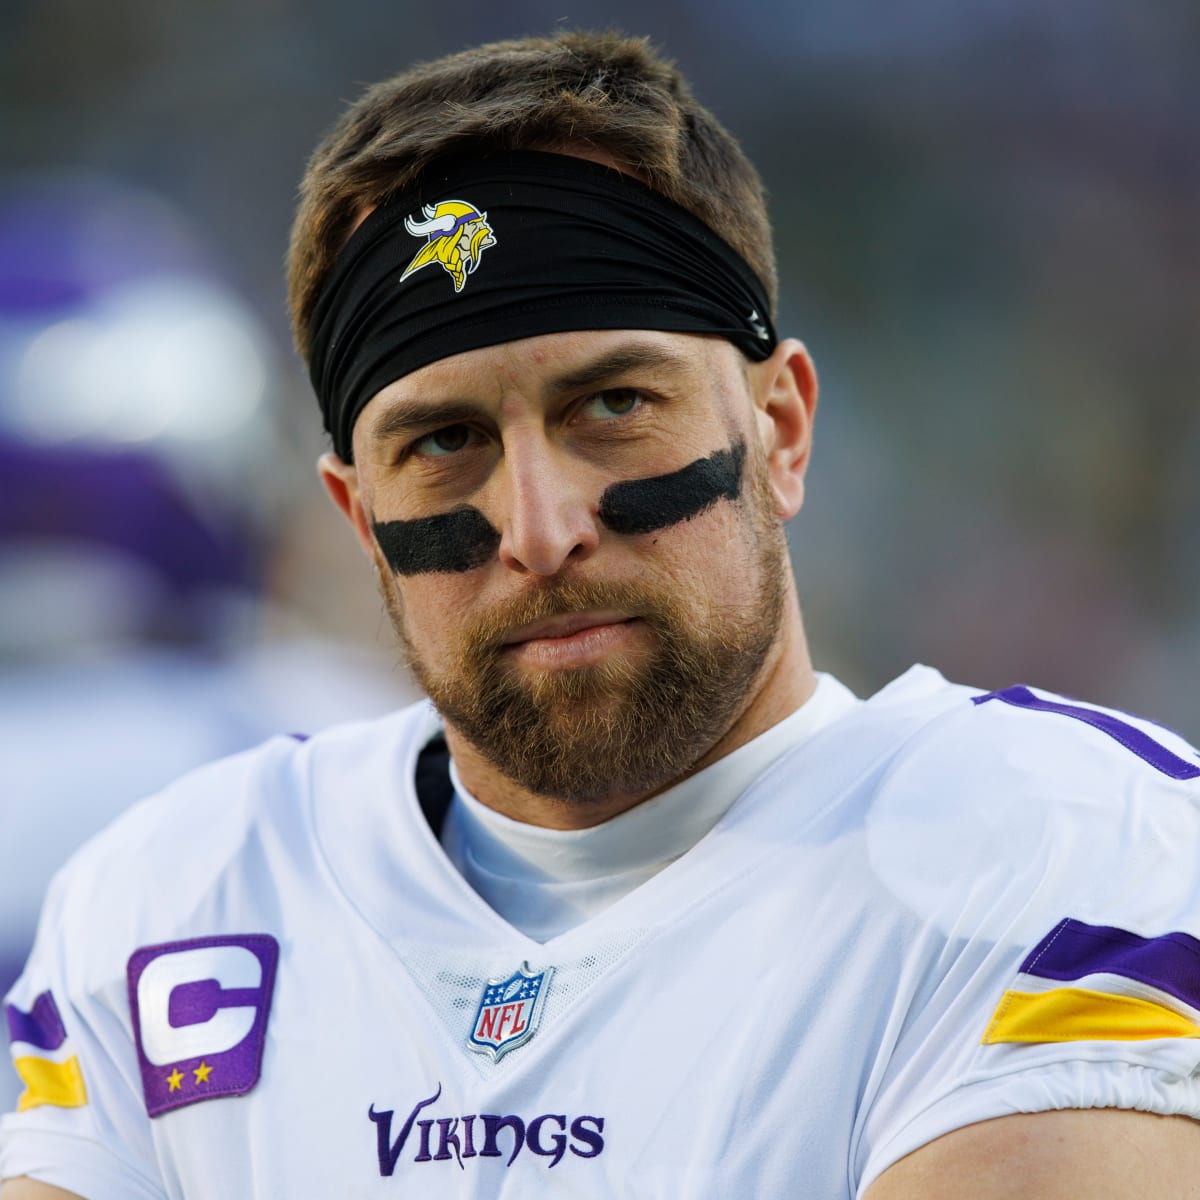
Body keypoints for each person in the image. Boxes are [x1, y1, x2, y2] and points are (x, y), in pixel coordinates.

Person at [3, 29, 1199, 1198]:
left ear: (778, 429)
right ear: (359, 517)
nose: (539, 527)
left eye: (614, 404)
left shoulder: (1067, 844)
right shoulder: (171, 894)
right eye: (443, 441)